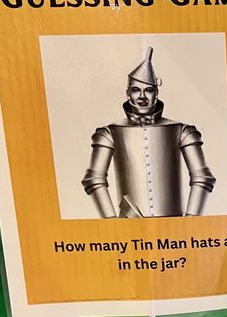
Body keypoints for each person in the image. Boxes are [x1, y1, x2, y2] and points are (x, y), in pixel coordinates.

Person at [81, 47, 216, 218]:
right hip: (128, 225)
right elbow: (94, 179)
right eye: (136, 90)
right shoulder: (109, 132)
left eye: (149, 90)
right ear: (128, 94)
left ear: (156, 93)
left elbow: (203, 177)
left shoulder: (182, 131)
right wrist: (111, 221)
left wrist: (191, 220)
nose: (142, 96)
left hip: (174, 225)